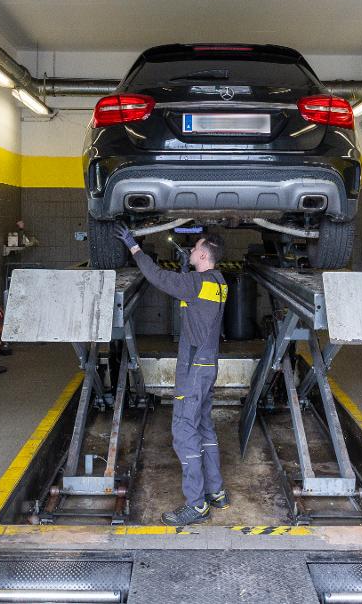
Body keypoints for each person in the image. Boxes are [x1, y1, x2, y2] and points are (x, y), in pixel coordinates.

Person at [115, 224, 229, 526]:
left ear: (204, 254)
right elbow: (194, 302)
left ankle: (196, 504)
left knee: (183, 432)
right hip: (208, 366)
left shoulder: (193, 283)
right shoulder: (218, 282)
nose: (191, 251)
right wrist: (187, 271)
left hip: (193, 370)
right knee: (204, 427)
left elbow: (157, 277)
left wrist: (134, 248)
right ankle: (216, 492)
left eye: (194, 249)